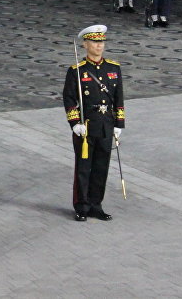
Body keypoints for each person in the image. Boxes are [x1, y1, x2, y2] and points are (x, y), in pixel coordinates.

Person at [63, 24, 124, 222]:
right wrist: (74, 123)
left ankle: (96, 204)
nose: (99, 46)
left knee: (101, 167)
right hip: (86, 127)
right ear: (86, 44)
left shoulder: (113, 68)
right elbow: (69, 98)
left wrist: (118, 123)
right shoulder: (77, 71)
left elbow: (118, 98)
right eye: (95, 42)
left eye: (101, 42)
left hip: (106, 125)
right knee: (83, 168)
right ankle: (81, 205)